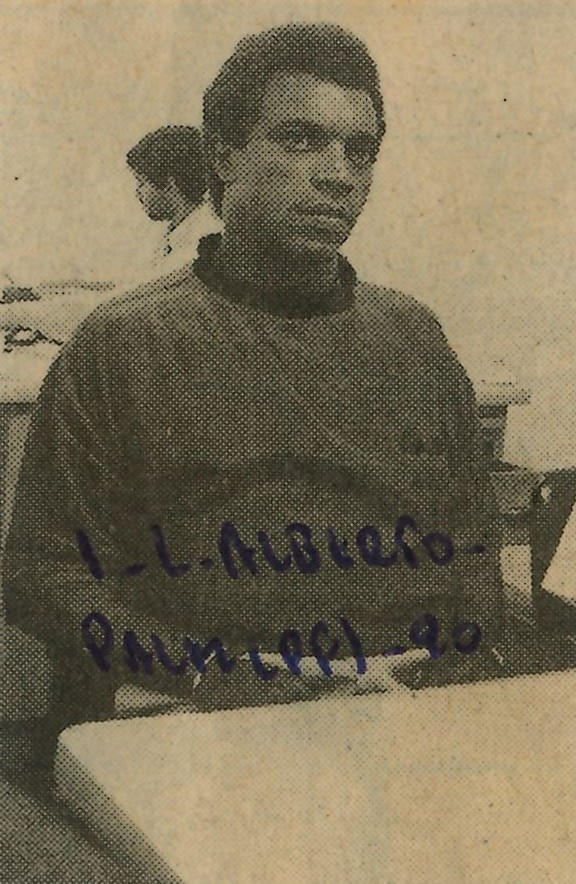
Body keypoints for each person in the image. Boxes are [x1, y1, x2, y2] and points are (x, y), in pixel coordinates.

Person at [3, 23, 502, 746]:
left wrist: (462, 668)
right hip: (206, 707)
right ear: (224, 157)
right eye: (300, 140)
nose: (338, 174)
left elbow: (473, 541)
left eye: (359, 151)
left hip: (410, 701)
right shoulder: (124, 342)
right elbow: (43, 574)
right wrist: (215, 676)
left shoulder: (413, 336)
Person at [0, 126, 218, 345]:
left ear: (170, 183)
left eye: (142, 182)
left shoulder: (197, 248)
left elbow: (107, 312)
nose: (138, 192)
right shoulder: (181, 233)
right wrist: (37, 293)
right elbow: (121, 289)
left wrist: (14, 314)